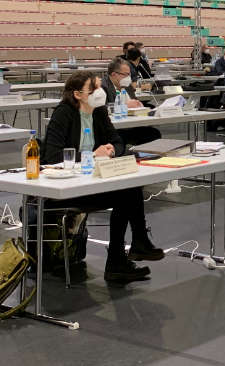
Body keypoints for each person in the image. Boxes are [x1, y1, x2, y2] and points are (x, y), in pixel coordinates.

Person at [43, 72, 165, 282]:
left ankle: (131, 249)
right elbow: (52, 157)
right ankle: (125, 254)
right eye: (94, 89)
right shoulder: (63, 114)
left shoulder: (98, 112)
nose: (100, 92)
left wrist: (111, 150)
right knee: (128, 195)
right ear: (78, 94)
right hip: (67, 188)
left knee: (131, 188)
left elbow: (118, 141)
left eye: (100, 87)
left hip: (94, 181)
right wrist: (91, 155)